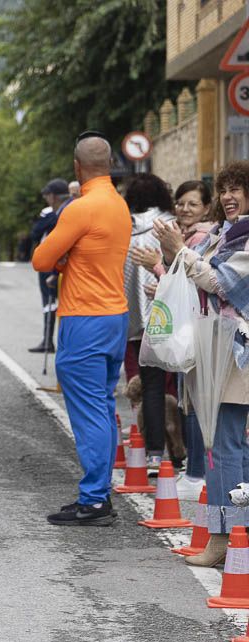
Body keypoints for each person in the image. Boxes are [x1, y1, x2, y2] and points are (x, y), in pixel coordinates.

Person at [32, 133, 131, 525]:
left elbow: (42, 259)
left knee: (89, 412)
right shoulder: (119, 205)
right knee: (102, 406)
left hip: (84, 318)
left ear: (77, 167)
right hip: (115, 316)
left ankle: (93, 500)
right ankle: (99, 493)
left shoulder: (80, 208)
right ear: (110, 165)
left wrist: (64, 260)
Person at [155, 161, 249, 567]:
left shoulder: (244, 239)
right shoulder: (224, 234)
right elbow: (196, 274)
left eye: (237, 189)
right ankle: (235, 535)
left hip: (235, 352)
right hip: (216, 348)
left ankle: (224, 537)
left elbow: (220, 282)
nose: (228, 196)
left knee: (222, 446)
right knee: (229, 445)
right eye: (224, 189)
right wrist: (171, 253)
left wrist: (181, 252)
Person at [132, 180, 217, 499]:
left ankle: (196, 471)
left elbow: (195, 282)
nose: (184, 209)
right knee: (184, 399)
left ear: (206, 208)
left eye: (193, 204)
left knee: (193, 402)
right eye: (180, 203)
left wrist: (157, 268)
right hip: (183, 324)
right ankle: (189, 466)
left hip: (196, 327)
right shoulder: (182, 235)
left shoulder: (200, 238)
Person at [119, 173, 175, 471]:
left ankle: (154, 453)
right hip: (170, 314)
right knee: (180, 385)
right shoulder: (169, 224)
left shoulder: (123, 228)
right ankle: (184, 452)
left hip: (134, 318)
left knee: (150, 386)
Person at [28, 179, 71, 353]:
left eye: (47, 195)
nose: (46, 198)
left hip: (54, 265)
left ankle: (51, 341)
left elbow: (37, 232)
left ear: (53, 197)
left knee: (53, 302)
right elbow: (35, 232)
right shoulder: (54, 212)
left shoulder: (61, 213)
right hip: (54, 264)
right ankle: (49, 340)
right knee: (53, 303)